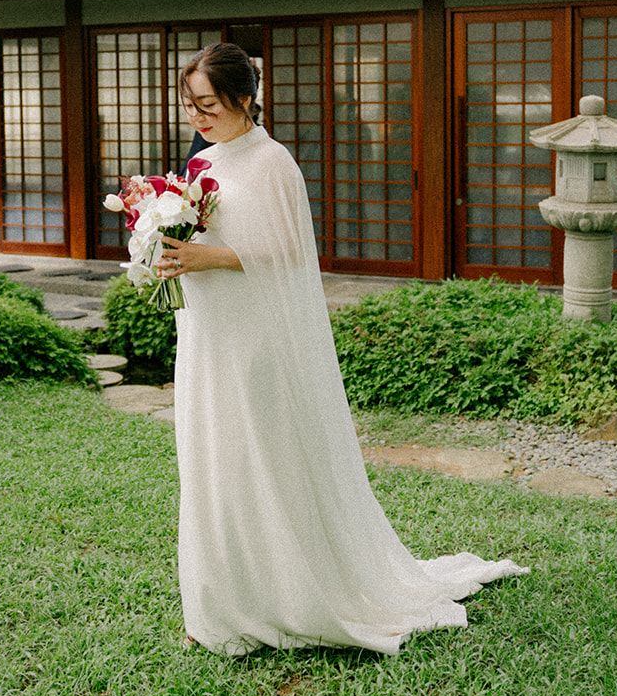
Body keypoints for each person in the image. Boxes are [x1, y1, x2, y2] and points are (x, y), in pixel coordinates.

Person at [157, 41, 529, 657]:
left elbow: (291, 258)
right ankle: (223, 602)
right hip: (208, 331)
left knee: (263, 458)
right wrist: (164, 252)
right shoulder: (203, 165)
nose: (197, 119)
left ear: (244, 99)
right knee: (213, 456)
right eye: (189, 107)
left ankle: (291, 595)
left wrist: (207, 256)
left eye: (208, 106)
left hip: (257, 339)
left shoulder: (273, 163)